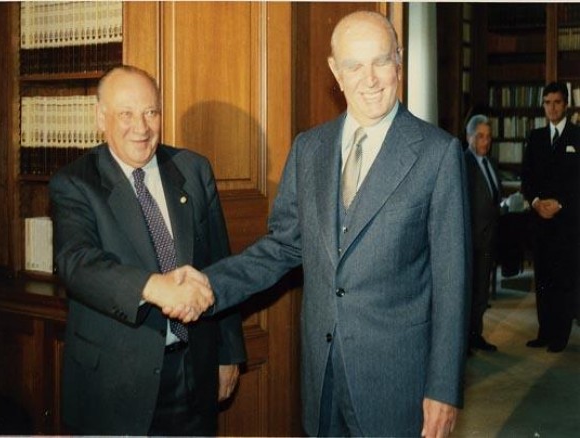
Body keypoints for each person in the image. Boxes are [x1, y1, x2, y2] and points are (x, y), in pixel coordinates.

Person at [174, 11, 471, 437]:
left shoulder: (437, 154)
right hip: (322, 374)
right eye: (354, 65)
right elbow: (282, 247)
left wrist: (443, 389)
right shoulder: (309, 148)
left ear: (399, 61)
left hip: (397, 382)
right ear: (336, 72)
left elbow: (452, 282)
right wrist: (207, 285)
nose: (370, 79)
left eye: (381, 61)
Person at [49, 65, 245, 435]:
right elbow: (76, 263)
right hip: (114, 382)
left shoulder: (193, 169)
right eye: (126, 114)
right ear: (101, 118)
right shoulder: (75, 182)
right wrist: (154, 287)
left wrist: (229, 353)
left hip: (193, 372)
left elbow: (220, 262)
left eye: (150, 112)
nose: (141, 127)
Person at [521, 81, 580, 353]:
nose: (552, 108)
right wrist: (535, 203)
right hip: (540, 221)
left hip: (567, 223)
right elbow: (526, 178)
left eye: (557, 102)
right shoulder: (535, 137)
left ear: (565, 105)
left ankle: (560, 335)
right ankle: (544, 332)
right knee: (543, 279)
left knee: (564, 279)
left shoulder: (577, 137)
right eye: (547, 103)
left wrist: (561, 204)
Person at [464, 114, 501, 353]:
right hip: (470, 241)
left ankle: (476, 335)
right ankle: (464, 343)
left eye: (488, 137)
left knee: (481, 293)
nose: (485, 142)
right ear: (469, 137)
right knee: (468, 294)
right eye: (480, 136)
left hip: (488, 241)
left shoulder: (491, 163)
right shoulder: (462, 163)